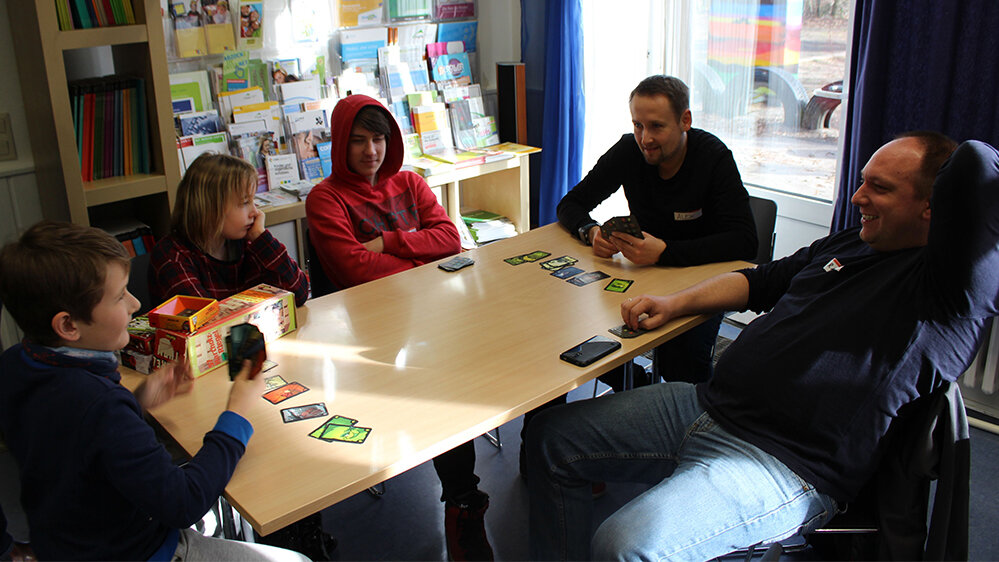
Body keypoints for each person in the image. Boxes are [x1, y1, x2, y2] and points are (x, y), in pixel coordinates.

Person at [526, 132, 998, 560]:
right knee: (550, 439)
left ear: (933, 205)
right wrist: (675, 303)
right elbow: (758, 281)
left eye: (880, 187)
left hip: (785, 462)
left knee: (625, 546)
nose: (858, 197)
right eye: (861, 181)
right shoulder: (855, 241)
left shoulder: (952, 289)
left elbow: (977, 162)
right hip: (708, 404)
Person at [0, 221, 307, 561]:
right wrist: (236, 413)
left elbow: (72, 439)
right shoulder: (102, 405)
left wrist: (139, 399)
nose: (134, 304)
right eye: (119, 296)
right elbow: (184, 503)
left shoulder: (16, 363)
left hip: (64, 544)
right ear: (69, 325)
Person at [306, 95, 492, 560]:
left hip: (431, 319)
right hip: (364, 336)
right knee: (442, 384)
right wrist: (418, 260)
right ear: (341, 145)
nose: (372, 150)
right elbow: (353, 269)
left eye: (380, 139)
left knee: (480, 371)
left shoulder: (410, 181)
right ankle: (462, 498)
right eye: (360, 140)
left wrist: (388, 240)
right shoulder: (325, 197)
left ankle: (476, 494)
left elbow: (449, 238)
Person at [557, 75, 757, 388]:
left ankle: (691, 414)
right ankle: (637, 386)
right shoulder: (629, 150)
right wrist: (591, 232)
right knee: (574, 338)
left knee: (683, 363)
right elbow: (571, 203)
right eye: (638, 125)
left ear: (685, 120)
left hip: (703, 278)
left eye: (656, 126)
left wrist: (665, 252)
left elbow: (745, 241)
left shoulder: (713, 157)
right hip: (643, 276)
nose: (645, 138)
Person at [149, 153, 309, 308]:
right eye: (245, 202)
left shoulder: (249, 241)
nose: (256, 213)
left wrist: (263, 240)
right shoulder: (172, 256)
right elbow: (207, 324)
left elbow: (299, 293)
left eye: (254, 201)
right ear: (210, 209)